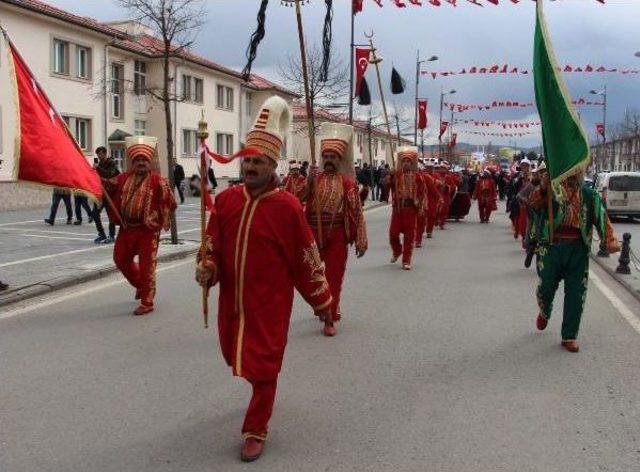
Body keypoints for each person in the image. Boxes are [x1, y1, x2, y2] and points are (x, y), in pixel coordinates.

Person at [195, 96, 332, 462]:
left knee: (265, 362)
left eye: (259, 162)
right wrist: (208, 267)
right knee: (236, 353)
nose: (251, 167)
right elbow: (212, 245)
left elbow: (306, 258)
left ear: (273, 166)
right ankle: (258, 390)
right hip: (233, 301)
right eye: (248, 160)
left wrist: (321, 301)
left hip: (270, 302)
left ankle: (256, 427)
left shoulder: (287, 208)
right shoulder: (225, 202)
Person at [529, 171, 620, 353]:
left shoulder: (589, 194)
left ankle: (569, 336)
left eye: (576, 170)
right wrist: (544, 187)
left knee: (576, 293)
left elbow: (601, 217)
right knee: (546, 287)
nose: (572, 174)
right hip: (552, 247)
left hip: (578, 249)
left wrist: (608, 239)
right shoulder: (550, 190)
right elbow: (532, 205)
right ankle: (545, 311)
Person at [303, 123, 367, 336]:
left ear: (340, 160)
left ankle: (329, 317)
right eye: (326, 157)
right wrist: (308, 184)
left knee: (334, 277)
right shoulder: (314, 179)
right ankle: (322, 304)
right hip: (312, 233)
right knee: (311, 275)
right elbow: (297, 201)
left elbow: (356, 211)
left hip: (337, 234)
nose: (329, 160)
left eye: (333, 157)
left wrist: (360, 238)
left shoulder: (347, 183)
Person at [102, 136, 177, 316]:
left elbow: (171, 203)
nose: (141, 162)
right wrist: (90, 175)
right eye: (137, 160)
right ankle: (141, 285)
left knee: (147, 266)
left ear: (149, 162)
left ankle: (147, 301)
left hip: (147, 231)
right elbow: (106, 186)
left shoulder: (158, 181)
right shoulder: (122, 178)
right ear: (133, 162)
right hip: (127, 228)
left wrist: (161, 209)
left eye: (144, 159)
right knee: (120, 259)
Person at [384, 146, 425, 270]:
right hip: (398, 209)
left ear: (412, 163)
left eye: (408, 162)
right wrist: (389, 176)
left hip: (411, 209)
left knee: (409, 236)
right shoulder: (396, 174)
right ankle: (397, 251)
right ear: (401, 163)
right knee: (393, 234)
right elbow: (386, 185)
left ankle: (406, 260)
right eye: (404, 161)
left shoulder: (418, 177)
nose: (406, 164)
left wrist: (419, 204)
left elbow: (422, 192)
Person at [92, 146, 120, 244]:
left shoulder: (111, 163)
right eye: (97, 154)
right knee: (95, 213)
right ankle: (101, 234)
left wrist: (98, 168)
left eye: (100, 154)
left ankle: (111, 235)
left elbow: (109, 174)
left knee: (110, 215)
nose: (99, 156)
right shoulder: (99, 164)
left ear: (104, 153)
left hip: (110, 193)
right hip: (101, 193)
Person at [415, 160, 443, 246]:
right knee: (414, 222)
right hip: (411, 203)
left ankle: (419, 239)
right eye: (428, 167)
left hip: (425, 201)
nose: (429, 169)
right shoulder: (407, 177)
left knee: (427, 218)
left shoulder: (426, 177)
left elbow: (433, 189)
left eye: (431, 167)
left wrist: (439, 197)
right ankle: (415, 237)